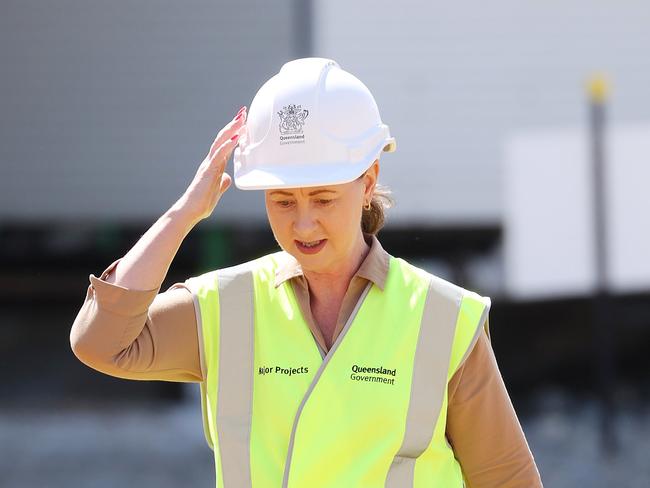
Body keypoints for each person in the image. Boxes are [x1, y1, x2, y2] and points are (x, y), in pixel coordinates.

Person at [70, 58, 543, 487]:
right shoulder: (226, 306)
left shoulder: (443, 319)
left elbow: (507, 480)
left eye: (322, 199)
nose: (302, 223)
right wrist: (185, 213)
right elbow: (100, 343)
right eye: (281, 200)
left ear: (368, 182)